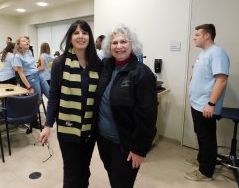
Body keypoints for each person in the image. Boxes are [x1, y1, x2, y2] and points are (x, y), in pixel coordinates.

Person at [39, 20, 102, 188]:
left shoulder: (97, 63)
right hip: (68, 127)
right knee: (72, 172)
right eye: (76, 33)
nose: (81, 36)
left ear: (89, 37)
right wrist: (47, 125)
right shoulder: (60, 63)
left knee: (84, 169)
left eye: (85, 32)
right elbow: (53, 96)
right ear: (70, 37)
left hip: (90, 128)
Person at [95, 25, 157, 188]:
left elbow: (148, 117)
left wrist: (139, 149)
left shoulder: (141, 73)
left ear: (132, 45)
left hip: (125, 145)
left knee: (122, 184)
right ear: (109, 46)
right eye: (114, 43)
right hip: (103, 140)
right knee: (112, 177)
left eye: (124, 42)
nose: (119, 46)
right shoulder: (106, 67)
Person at [185, 24, 230, 181]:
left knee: (207, 138)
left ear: (207, 36)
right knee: (201, 135)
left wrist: (211, 104)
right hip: (197, 103)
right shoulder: (204, 53)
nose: (194, 37)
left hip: (205, 105)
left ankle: (205, 171)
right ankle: (201, 159)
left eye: (197, 34)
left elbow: (221, 79)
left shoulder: (217, 53)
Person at [13, 36, 50, 128]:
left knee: (50, 94)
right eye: (24, 41)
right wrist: (29, 87)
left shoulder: (29, 52)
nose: (27, 41)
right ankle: (33, 121)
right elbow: (21, 74)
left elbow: (32, 65)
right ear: (19, 44)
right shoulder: (17, 56)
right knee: (36, 100)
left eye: (28, 40)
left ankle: (49, 115)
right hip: (30, 78)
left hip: (38, 74)